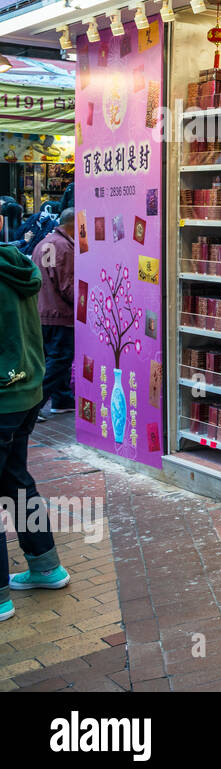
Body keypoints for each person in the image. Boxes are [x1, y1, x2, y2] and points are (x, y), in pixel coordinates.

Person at [0, 242, 69, 624]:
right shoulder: (18, 265)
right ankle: (45, 567)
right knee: (17, 482)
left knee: (15, 483)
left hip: (4, 396)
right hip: (26, 392)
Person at [32, 208, 76, 421]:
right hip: (60, 313)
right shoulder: (65, 247)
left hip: (42, 311)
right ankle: (34, 405)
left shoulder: (44, 242)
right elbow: (68, 287)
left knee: (51, 359)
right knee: (60, 360)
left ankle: (63, 400)